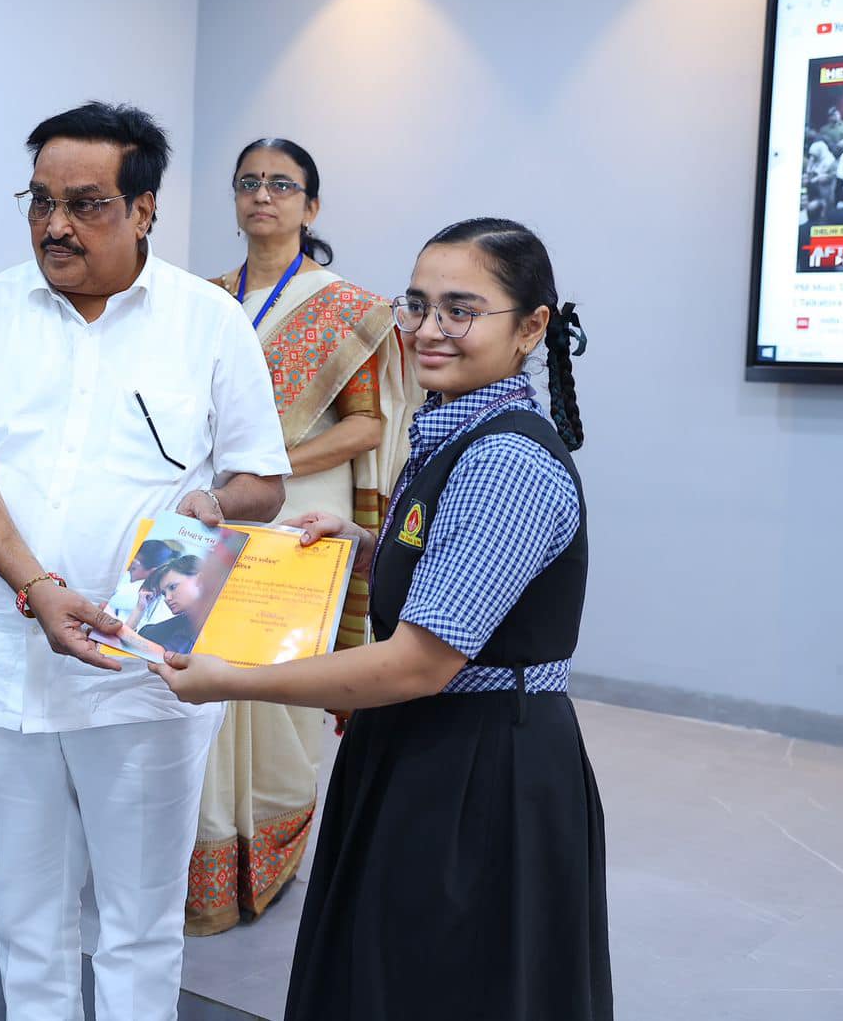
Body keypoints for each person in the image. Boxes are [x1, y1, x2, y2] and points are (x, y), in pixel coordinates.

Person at [152, 217, 609, 1019]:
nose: (428, 330)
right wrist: (363, 547)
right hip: (420, 746)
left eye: (461, 310)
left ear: (532, 327)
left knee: (443, 984)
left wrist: (234, 678)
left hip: (478, 773)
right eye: (417, 304)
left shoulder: (503, 460)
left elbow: (419, 663)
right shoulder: (455, 427)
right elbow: (457, 572)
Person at [0, 100, 289, 1020]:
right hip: (11, 662)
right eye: (40, 201)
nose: (55, 225)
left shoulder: (209, 320)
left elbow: (262, 481)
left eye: (85, 204)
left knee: (140, 919)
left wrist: (215, 505)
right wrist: (37, 587)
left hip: (148, 660)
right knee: (27, 915)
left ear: (144, 209)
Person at [189, 138, 419, 935]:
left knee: (278, 686)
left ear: (310, 206)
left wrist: (264, 466)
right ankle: (196, 864)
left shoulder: (348, 309)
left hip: (297, 514)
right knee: (201, 684)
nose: (263, 195)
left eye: (282, 185)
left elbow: (367, 427)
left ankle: (271, 855)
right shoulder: (201, 300)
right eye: (249, 182)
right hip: (212, 506)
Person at [135, 554, 209, 653]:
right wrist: (139, 609)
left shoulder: (202, 624)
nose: (167, 598)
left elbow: (167, 656)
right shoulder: (182, 622)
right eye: (164, 593)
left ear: (200, 580)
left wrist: (123, 632)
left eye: (173, 587)